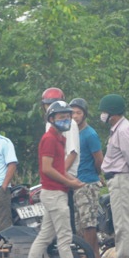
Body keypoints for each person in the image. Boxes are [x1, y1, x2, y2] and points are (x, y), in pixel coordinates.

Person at [23, 101, 95, 258]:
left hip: (55, 192)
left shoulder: (60, 138)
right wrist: (69, 182)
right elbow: (47, 169)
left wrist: (71, 181)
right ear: (52, 119)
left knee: (45, 236)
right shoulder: (49, 139)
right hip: (54, 193)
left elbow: (58, 167)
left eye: (68, 116)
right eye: (61, 117)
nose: (66, 120)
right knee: (65, 236)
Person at [99, 94, 129, 258]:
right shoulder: (118, 128)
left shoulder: (123, 130)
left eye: (104, 112)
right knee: (120, 221)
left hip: (122, 179)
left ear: (112, 114)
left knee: (122, 222)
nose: (102, 115)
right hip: (117, 179)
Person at [41, 87, 80, 232]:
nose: (50, 107)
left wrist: (63, 175)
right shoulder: (49, 124)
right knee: (51, 224)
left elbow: (72, 153)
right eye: (47, 104)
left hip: (65, 175)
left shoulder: (70, 123)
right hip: (55, 176)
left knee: (66, 221)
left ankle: (72, 249)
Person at [70, 97, 103, 258]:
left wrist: (95, 174)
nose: (75, 116)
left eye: (78, 112)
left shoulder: (89, 134)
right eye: (73, 113)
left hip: (87, 182)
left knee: (89, 222)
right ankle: (95, 256)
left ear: (84, 114)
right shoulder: (72, 134)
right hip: (75, 182)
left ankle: (88, 255)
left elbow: (99, 159)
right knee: (80, 223)